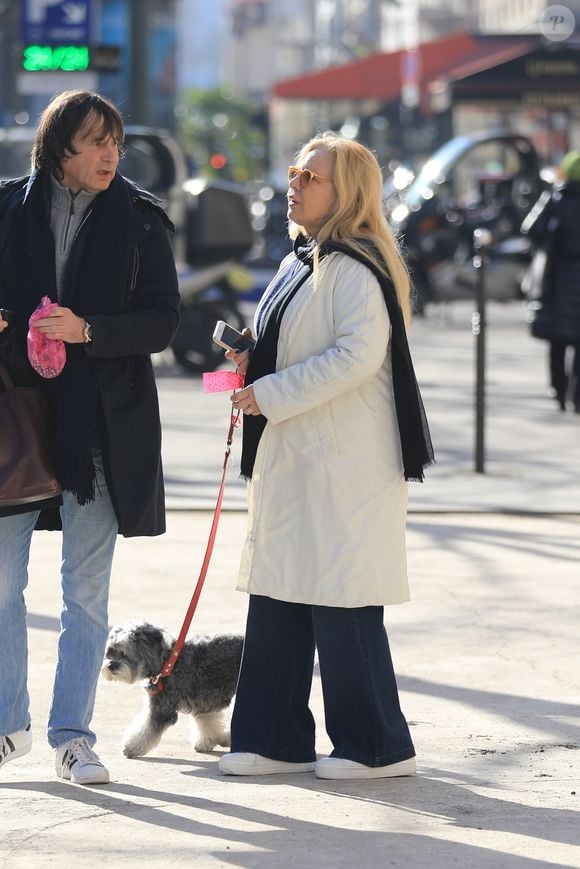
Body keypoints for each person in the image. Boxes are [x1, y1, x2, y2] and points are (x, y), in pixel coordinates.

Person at [217, 132, 433, 780]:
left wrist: (271, 391)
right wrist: (254, 359)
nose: (295, 183)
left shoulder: (355, 265)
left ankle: (377, 745)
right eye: (294, 172)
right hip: (299, 457)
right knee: (279, 593)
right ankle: (273, 737)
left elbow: (355, 356)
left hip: (345, 464)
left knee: (344, 599)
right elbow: (299, 343)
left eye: (311, 176)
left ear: (348, 192)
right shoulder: (303, 259)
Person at [0, 90, 180, 784]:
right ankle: (6, 724)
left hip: (102, 426)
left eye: (116, 140)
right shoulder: (9, 208)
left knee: (84, 593)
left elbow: (163, 320)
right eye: (93, 141)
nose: (109, 154)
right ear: (58, 149)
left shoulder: (139, 220)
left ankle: (72, 736)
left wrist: (89, 331)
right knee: (2, 582)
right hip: (16, 420)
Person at [521, 150, 580, 413]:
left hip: (556, 276)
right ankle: (577, 395)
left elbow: (530, 230)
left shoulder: (555, 199)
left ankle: (558, 390)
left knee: (557, 337)